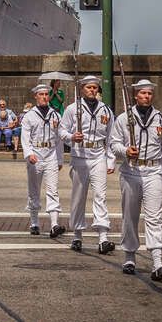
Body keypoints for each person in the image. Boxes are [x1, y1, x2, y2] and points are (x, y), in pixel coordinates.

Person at [111, 79, 162, 279]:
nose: (147, 96)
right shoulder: (123, 118)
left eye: (149, 93)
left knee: (154, 217)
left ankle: (157, 261)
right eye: (143, 93)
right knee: (130, 215)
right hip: (131, 171)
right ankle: (129, 256)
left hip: (153, 170)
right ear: (136, 95)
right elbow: (113, 143)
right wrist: (125, 151)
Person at [59, 74, 116, 254]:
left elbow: (112, 136)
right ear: (82, 89)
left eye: (95, 87)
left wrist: (111, 159)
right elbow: (61, 130)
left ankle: (103, 236)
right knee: (79, 196)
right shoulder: (72, 109)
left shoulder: (106, 110)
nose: (92, 90)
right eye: (88, 87)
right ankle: (77, 234)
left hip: (99, 154)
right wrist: (71, 137)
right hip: (80, 154)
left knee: (100, 194)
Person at [21, 85, 65, 237]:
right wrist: (29, 154)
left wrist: (60, 159)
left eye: (46, 94)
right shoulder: (29, 116)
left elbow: (59, 139)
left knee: (53, 190)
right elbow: (25, 138)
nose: (44, 97)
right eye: (41, 94)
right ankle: (34, 222)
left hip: (51, 153)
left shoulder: (55, 115)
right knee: (34, 190)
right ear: (36, 96)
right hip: (36, 154)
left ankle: (54, 224)